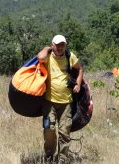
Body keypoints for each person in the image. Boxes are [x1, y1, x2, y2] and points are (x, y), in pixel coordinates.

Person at [37, 35, 84, 164]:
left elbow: (80, 69)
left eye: (62, 45)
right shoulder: (47, 56)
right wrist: (47, 48)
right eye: (57, 45)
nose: (59, 48)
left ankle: (63, 159)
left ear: (65, 45)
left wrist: (78, 84)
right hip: (49, 101)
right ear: (52, 45)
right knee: (49, 129)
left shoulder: (70, 56)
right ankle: (49, 156)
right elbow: (40, 58)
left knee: (64, 132)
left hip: (66, 102)